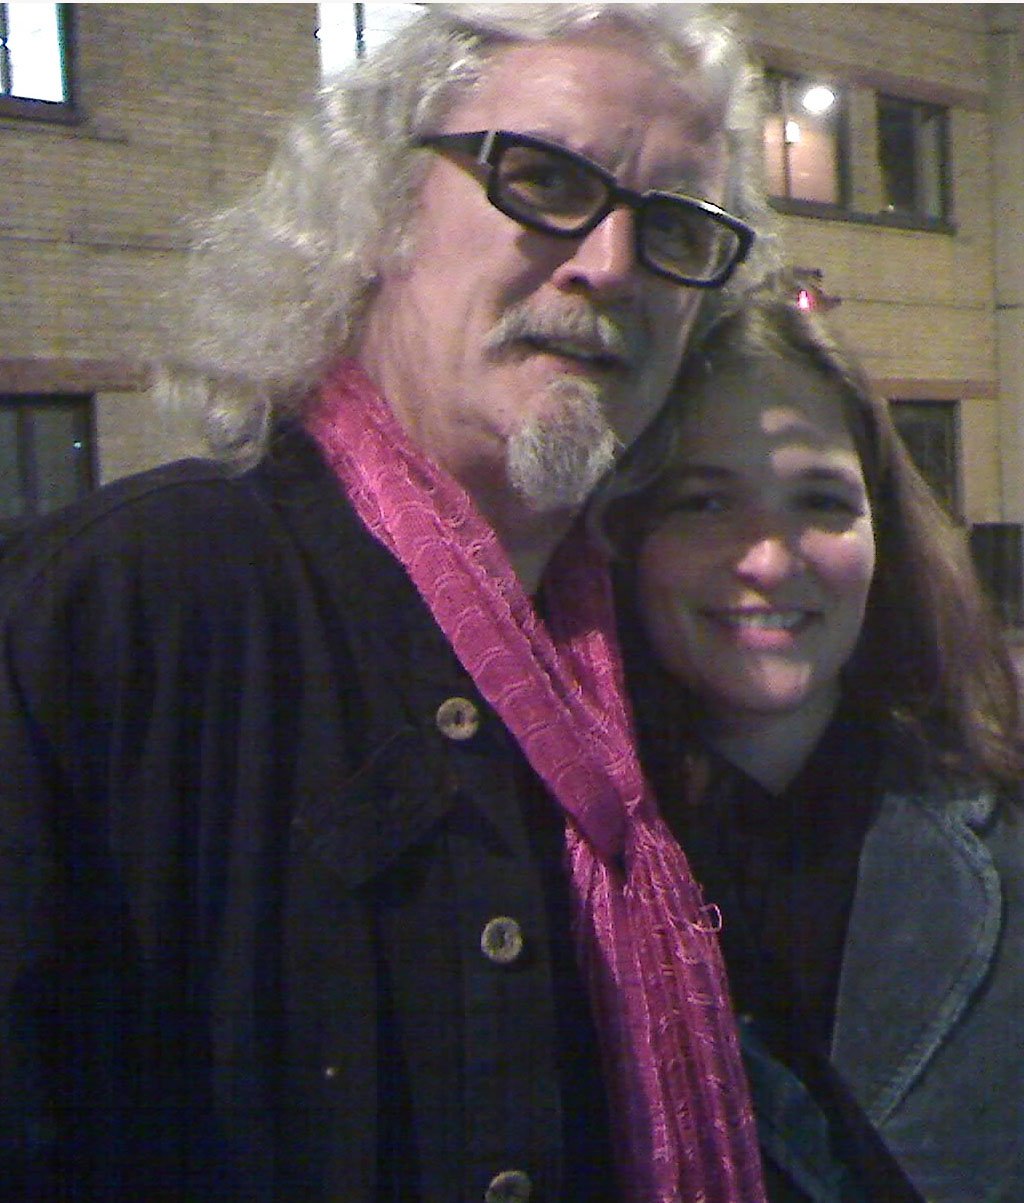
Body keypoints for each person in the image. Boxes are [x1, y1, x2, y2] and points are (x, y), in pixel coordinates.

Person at [0, 6, 779, 1202]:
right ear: (376, 213)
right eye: (541, 177)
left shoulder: (665, 648)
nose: (610, 264)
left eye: (674, 225)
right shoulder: (125, 605)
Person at [601, 294, 1024, 1203]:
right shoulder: (557, 856)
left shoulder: (1005, 828)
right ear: (630, 537)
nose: (769, 557)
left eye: (821, 501)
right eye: (706, 499)